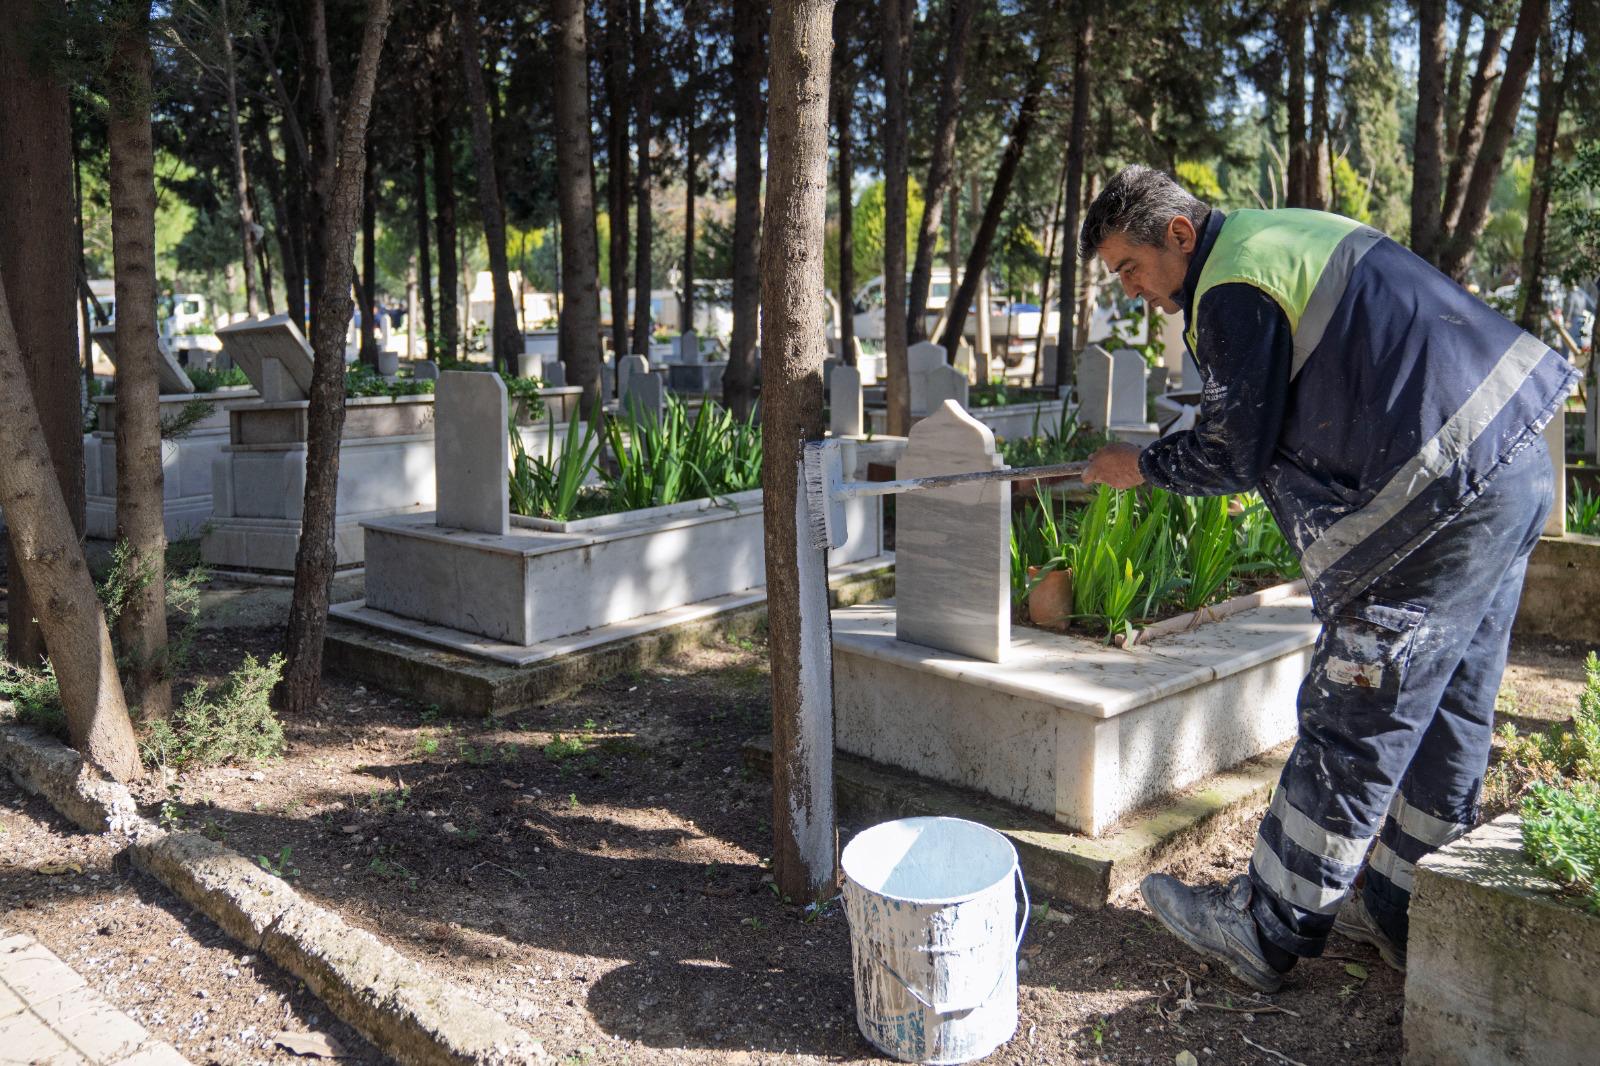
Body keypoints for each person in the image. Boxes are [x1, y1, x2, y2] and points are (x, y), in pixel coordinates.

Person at [1078, 165, 1578, 992]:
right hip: (1507, 462)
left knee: (1358, 707)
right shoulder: (1275, 237)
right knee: (1451, 703)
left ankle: (1265, 924)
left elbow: (1231, 452)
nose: (1131, 290)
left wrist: (1140, 464)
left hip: (1434, 495)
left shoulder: (1231, 284)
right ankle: (1404, 907)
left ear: (1178, 234)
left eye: (1130, 268)